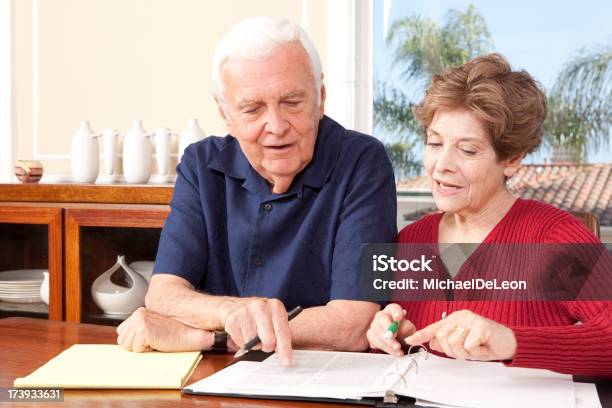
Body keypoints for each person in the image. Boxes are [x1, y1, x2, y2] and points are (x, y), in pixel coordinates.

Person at [116, 17, 397, 365]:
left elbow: (354, 325)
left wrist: (208, 336)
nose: (277, 127)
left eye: (292, 102)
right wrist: (239, 312)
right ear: (226, 114)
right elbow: (164, 296)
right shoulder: (199, 164)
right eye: (253, 109)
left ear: (321, 98)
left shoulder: (365, 162)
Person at [366, 53, 612, 377]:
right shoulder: (409, 240)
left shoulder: (557, 238)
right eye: (435, 143)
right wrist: (387, 335)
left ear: (511, 159)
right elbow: (389, 343)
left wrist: (510, 341)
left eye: (467, 150)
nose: (442, 165)